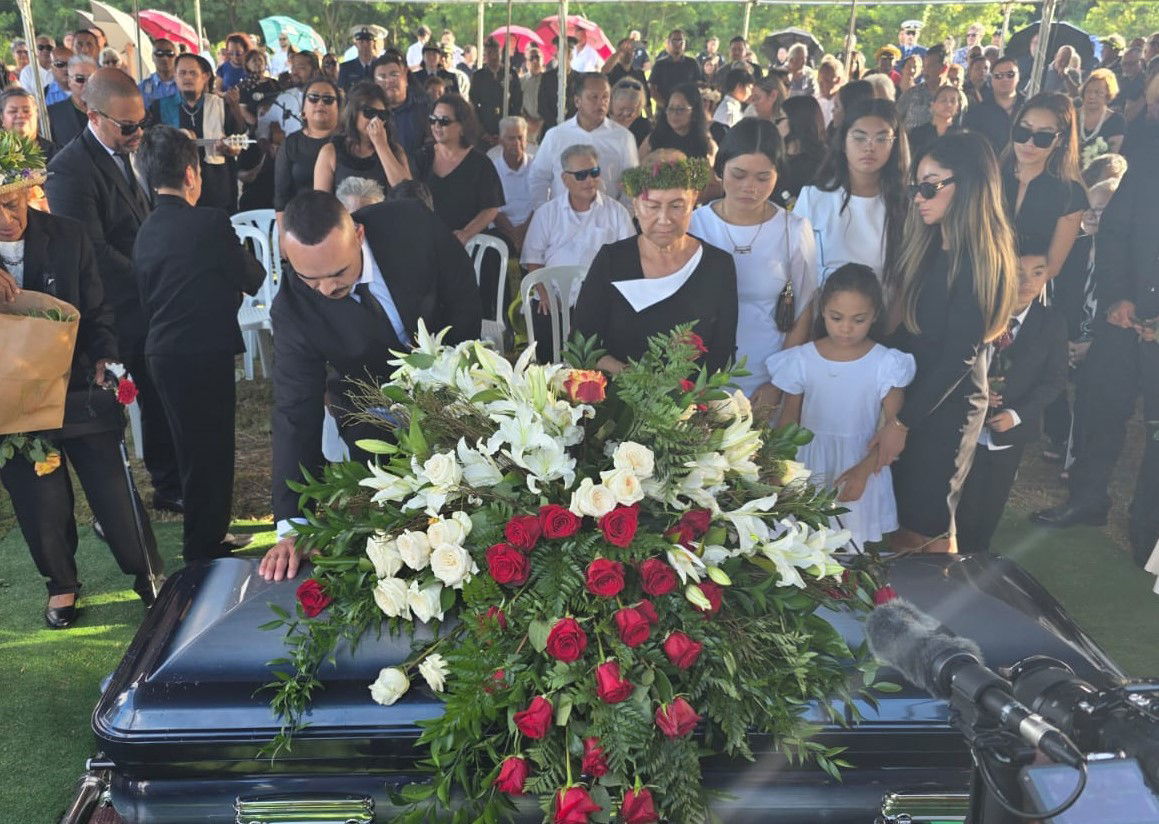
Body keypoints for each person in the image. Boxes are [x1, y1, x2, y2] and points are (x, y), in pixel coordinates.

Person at [259, 191, 482, 581]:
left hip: (449, 376)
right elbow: (295, 412)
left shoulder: (410, 224)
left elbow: (461, 293)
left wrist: (454, 376)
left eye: (338, 273)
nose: (326, 289)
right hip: (368, 405)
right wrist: (293, 525)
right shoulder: (294, 309)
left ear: (358, 235)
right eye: (311, 278)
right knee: (397, 519)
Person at [0, 134, 164, 629]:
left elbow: (97, 309)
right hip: (14, 398)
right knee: (39, 498)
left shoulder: (68, 235)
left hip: (76, 382)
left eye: (10, 204)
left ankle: (147, 574)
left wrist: (105, 357)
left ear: (27, 193)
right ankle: (61, 582)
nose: (5, 218)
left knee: (112, 488)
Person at [45, 67, 183, 512]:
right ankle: (149, 493)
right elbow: (93, 251)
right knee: (134, 403)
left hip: (147, 301)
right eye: (127, 126)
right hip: (112, 310)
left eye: (142, 122)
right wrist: (153, 274)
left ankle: (171, 482)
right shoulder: (68, 170)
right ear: (93, 115)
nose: (137, 133)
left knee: (162, 392)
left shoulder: (131, 152)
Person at [876, 131, 1018, 553]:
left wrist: (902, 423)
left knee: (927, 527)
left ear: (968, 184)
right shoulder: (931, 245)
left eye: (930, 185)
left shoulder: (978, 260)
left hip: (946, 409)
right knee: (901, 525)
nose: (918, 198)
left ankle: (942, 595)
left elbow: (958, 358)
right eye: (916, 186)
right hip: (916, 396)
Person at [132, 125, 265, 563]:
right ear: (192, 173)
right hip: (201, 352)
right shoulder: (208, 221)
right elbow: (252, 276)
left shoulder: (146, 230)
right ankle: (203, 547)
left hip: (162, 351)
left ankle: (208, 537)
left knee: (191, 449)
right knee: (211, 451)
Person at [1031, 143, 1159, 564]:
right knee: (1100, 407)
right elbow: (1115, 232)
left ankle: (1149, 527)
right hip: (1123, 318)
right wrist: (1118, 296)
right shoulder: (1150, 160)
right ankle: (1087, 499)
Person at [768, 264, 915, 547]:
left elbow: (892, 430)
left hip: (860, 466)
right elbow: (788, 422)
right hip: (807, 465)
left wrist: (864, 471)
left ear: (874, 315)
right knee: (802, 545)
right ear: (823, 310)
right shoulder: (801, 359)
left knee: (850, 546)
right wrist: (777, 467)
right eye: (836, 318)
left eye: (858, 320)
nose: (846, 328)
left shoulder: (886, 363)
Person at [690, 118, 816, 420]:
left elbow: (803, 311)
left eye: (763, 178)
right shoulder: (694, 225)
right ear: (720, 169)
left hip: (766, 376)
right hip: (701, 375)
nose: (750, 187)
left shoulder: (793, 229)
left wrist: (778, 382)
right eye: (739, 174)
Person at [574, 150, 736, 374]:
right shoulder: (612, 260)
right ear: (636, 205)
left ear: (693, 201)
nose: (664, 219)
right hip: (620, 390)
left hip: (692, 393)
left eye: (676, 206)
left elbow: (723, 350)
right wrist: (637, 381)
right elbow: (581, 342)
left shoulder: (718, 265)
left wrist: (692, 392)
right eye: (652, 206)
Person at [956, 244, 1067, 554]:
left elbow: (1055, 380)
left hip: (1010, 432)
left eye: (1037, 273)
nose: (1027, 282)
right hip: (965, 424)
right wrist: (974, 392)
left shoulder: (1052, 323)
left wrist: (1017, 415)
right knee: (959, 499)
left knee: (991, 502)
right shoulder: (979, 311)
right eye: (1018, 273)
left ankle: (977, 558)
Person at [522, 143, 635, 360]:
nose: (590, 180)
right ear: (565, 179)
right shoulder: (547, 213)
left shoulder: (616, 212)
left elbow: (628, 259)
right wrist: (545, 294)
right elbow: (533, 260)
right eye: (581, 175)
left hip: (600, 298)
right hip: (553, 296)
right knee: (544, 328)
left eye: (594, 172)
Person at [795, 99, 908, 293]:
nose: (869, 147)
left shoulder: (906, 203)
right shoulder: (813, 198)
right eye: (859, 137)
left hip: (884, 309)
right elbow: (794, 270)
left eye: (881, 139)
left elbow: (906, 282)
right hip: (820, 309)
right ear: (843, 142)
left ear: (894, 144)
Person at [1002, 93, 1088, 282]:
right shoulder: (990, 176)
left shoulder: (1070, 194)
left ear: (1060, 140)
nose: (1029, 143)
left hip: (1025, 288)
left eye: (1043, 137)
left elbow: (1052, 267)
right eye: (1023, 131)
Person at [151, 53, 244, 214]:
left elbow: (239, 137)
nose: (187, 77)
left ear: (205, 77)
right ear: (175, 76)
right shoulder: (159, 107)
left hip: (216, 187)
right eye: (182, 73)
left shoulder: (220, 105)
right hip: (177, 185)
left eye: (193, 73)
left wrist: (230, 148)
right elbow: (151, 143)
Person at [529, 72, 638, 208]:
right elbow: (538, 178)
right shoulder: (556, 136)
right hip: (562, 217)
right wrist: (544, 212)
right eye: (594, 97)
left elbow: (632, 183)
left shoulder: (623, 137)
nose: (601, 103)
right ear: (577, 101)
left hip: (607, 216)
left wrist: (623, 214)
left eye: (605, 97)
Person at [410, 93, 503, 246]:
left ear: (462, 126)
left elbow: (491, 207)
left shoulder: (481, 163)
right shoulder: (421, 157)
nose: (437, 126)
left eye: (444, 121)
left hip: (466, 245)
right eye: (433, 120)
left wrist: (466, 233)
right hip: (426, 242)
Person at [314, 82, 411, 196]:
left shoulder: (395, 151)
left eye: (382, 114)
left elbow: (407, 192)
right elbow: (320, 201)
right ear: (353, 113)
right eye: (369, 113)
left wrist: (381, 145)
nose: (375, 120)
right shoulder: (331, 151)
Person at [274, 78, 340, 219]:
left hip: (342, 220)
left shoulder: (347, 143)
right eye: (313, 98)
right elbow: (281, 198)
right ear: (303, 108)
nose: (320, 103)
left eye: (328, 99)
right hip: (300, 221)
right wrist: (284, 231)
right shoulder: (291, 144)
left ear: (339, 109)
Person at [487, 116, 535, 253]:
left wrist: (523, 232)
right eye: (511, 138)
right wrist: (514, 235)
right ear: (501, 141)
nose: (516, 143)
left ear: (526, 140)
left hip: (533, 227)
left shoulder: (537, 166)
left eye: (520, 138)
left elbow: (540, 204)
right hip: (501, 230)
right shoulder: (491, 169)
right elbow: (493, 210)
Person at [640, 82, 717, 168]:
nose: (674, 114)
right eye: (670, 108)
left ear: (694, 112)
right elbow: (637, 169)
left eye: (680, 109)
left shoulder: (706, 145)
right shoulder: (653, 138)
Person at [963, 55, 1025, 154]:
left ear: (1018, 76)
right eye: (998, 76)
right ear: (991, 79)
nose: (1005, 79)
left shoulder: (1029, 107)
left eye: (1010, 74)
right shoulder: (977, 113)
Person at [373, 52, 431, 157]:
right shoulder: (368, 114)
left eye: (394, 75)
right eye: (382, 77)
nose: (389, 81)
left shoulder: (426, 109)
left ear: (405, 76)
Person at [774, 95, 826, 207]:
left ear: (796, 121)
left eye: (780, 119)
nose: (775, 123)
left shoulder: (818, 164)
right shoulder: (776, 156)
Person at [470, 39, 523, 145]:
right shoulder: (478, 76)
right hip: (485, 128)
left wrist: (511, 128)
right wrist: (483, 132)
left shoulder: (510, 74)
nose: (494, 57)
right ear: (485, 56)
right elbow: (473, 104)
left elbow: (518, 103)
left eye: (496, 53)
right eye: (490, 53)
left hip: (507, 126)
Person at [261, 51, 319, 144]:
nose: (295, 72)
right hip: (289, 150)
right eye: (293, 67)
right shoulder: (285, 97)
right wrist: (263, 140)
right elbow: (264, 122)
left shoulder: (327, 99)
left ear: (315, 73)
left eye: (301, 68)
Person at [906, 84, 963, 163]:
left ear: (957, 108)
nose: (948, 104)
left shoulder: (962, 135)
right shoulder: (917, 133)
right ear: (933, 105)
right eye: (943, 100)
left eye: (953, 101)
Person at [47, 55, 97, 147]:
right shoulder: (53, 114)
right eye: (80, 79)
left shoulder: (108, 111)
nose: (87, 84)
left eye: (91, 79)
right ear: (69, 81)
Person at [1077, 69, 1126, 157]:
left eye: (1098, 93)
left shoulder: (1116, 121)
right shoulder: (1072, 116)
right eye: (1088, 91)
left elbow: (1111, 156)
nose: (1092, 96)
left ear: (1108, 95)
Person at [897, 43, 945, 131]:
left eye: (930, 66)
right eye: (924, 66)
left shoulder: (955, 97)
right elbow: (895, 120)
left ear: (943, 68)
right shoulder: (911, 93)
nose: (925, 71)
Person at [649, 30, 702, 107]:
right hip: (665, 108)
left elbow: (698, 85)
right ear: (668, 43)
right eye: (674, 40)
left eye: (681, 41)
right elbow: (652, 88)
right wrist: (665, 105)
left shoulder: (692, 63)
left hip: (687, 108)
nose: (677, 44)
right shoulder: (660, 64)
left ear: (685, 43)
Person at [2, 88, 56, 162]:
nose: (20, 115)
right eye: (13, 111)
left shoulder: (56, 155)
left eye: (26, 111)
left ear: (36, 115)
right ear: (2, 118)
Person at [606, 38, 652, 116]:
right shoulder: (612, 71)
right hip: (615, 116)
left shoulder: (639, 73)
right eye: (625, 50)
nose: (629, 53)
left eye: (631, 50)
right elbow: (604, 71)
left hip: (635, 117)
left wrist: (650, 117)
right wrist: (619, 52)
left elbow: (646, 99)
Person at [712, 68, 754, 137]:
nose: (751, 93)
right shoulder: (730, 112)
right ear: (739, 86)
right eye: (749, 88)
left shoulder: (730, 107)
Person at [139, 38, 178, 108]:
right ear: (152, 57)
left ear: (176, 57)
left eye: (170, 54)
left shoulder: (185, 85)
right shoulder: (142, 88)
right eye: (159, 54)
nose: (165, 58)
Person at [611, 79, 650, 147]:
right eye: (621, 109)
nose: (625, 113)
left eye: (631, 110)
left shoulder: (644, 127)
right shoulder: (600, 121)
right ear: (611, 103)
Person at [520, 48, 545, 137]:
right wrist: (529, 121)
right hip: (527, 127)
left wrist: (541, 122)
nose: (535, 61)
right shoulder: (521, 81)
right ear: (527, 62)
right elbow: (518, 104)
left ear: (542, 60)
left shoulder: (548, 81)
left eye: (537, 57)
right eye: (531, 58)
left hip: (545, 127)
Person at [815, 56, 843, 126]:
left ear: (837, 80)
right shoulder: (814, 101)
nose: (820, 85)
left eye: (825, 80)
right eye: (819, 81)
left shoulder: (844, 104)